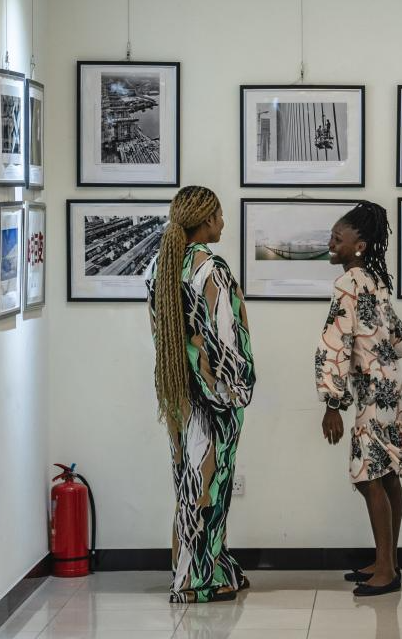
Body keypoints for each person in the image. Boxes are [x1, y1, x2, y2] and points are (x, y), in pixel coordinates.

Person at [146, 185, 256, 603]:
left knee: (190, 485)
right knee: (210, 488)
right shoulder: (210, 269)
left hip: (178, 393)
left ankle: (208, 567)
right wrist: (237, 389)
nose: (223, 222)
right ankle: (196, 581)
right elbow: (227, 337)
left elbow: (160, 333)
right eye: (220, 215)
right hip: (213, 398)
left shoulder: (160, 266)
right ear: (207, 220)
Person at [315, 201, 402, 597]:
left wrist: (332, 403)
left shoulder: (348, 283)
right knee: (387, 473)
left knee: (369, 477)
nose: (330, 244)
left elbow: (334, 343)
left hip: (371, 390)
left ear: (359, 246)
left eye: (337, 238)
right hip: (390, 385)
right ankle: (387, 561)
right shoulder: (376, 281)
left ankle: (386, 569)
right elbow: (400, 340)